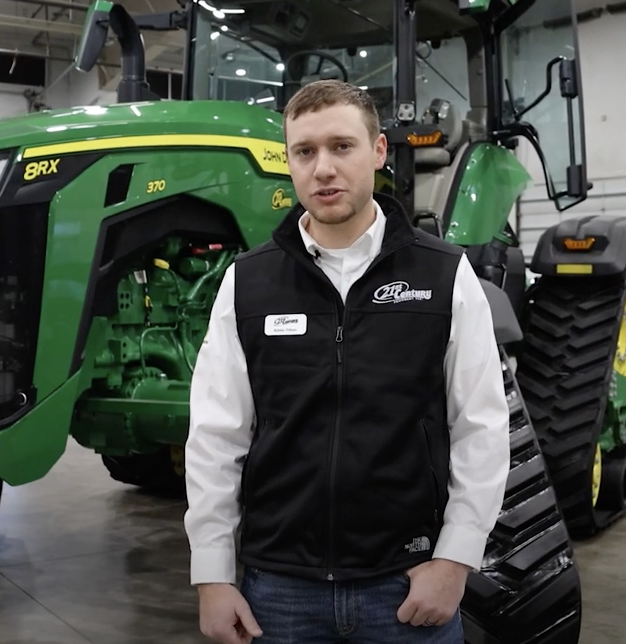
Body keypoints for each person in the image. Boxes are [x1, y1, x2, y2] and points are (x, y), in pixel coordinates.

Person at [183, 79, 510, 644]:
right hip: (280, 592)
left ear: (378, 152)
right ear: (288, 162)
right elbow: (216, 435)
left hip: (406, 586)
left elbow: (481, 425)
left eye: (342, 147)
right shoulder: (248, 282)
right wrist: (212, 574)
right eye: (304, 152)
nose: (323, 168)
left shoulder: (443, 275)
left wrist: (456, 561)